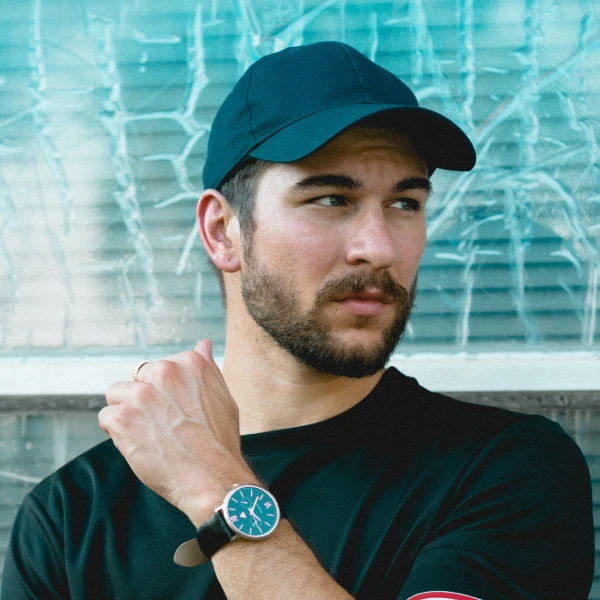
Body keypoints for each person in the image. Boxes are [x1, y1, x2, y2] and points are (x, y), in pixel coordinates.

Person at [1, 41, 594, 600]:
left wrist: (217, 489)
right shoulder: (73, 516)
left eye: (404, 203)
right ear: (222, 232)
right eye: (331, 199)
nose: (379, 247)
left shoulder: (507, 471)